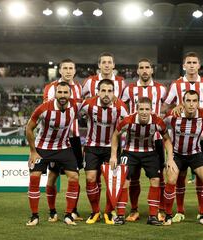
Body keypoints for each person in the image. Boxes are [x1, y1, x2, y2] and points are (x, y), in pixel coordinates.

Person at [163, 52, 203, 223]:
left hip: (201, 137)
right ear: (184, 65)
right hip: (178, 135)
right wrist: (174, 108)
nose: (192, 65)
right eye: (189, 62)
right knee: (178, 178)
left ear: (199, 65)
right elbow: (165, 107)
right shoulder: (176, 85)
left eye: (195, 62)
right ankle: (177, 211)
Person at [109, 97, 174, 226]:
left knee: (156, 180)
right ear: (137, 110)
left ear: (151, 110)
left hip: (149, 152)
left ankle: (153, 216)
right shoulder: (128, 120)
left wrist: (170, 158)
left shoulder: (158, 121)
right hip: (130, 152)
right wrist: (113, 156)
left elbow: (167, 139)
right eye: (141, 109)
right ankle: (121, 215)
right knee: (125, 180)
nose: (144, 112)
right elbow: (115, 134)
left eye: (147, 109)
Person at [163, 90, 203, 227]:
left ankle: (202, 215)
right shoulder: (173, 116)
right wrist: (168, 151)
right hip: (177, 154)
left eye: (194, 101)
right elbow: (160, 126)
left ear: (198, 102)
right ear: (183, 102)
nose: (191, 104)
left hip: (195, 153)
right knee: (171, 180)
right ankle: (168, 215)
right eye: (188, 101)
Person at [26, 82, 80, 226]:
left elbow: (91, 103)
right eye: (60, 92)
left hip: (63, 147)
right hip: (42, 148)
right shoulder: (43, 109)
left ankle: (69, 214)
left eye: (65, 93)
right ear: (55, 93)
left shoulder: (75, 105)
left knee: (74, 177)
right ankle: (35, 216)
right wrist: (33, 152)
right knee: (35, 177)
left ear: (70, 94)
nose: (63, 95)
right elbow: (29, 129)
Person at [121, 58, 167, 222]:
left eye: (148, 67)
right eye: (142, 67)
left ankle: (159, 209)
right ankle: (134, 210)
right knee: (132, 177)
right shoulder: (129, 89)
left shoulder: (161, 89)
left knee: (158, 176)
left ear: (152, 70)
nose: (145, 70)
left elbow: (167, 107)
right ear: (138, 71)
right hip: (133, 139)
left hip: (155, 139)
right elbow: (122, 106)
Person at [80, 79, 128, 224]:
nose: (106, 94)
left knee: (111, 182)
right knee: (90, 179)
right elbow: (74, 114)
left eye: (109, 91)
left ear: (114, 93)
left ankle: (108, 211)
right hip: (91, 147)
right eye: (103, 91)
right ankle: (95, 212)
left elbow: (126, 125)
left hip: (111, 148)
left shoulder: (120, 106)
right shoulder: (88, 104)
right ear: (98, 92)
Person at [43, 59, 83, 222]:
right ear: (60, 71)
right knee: (53, 176)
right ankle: (52, 211)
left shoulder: (79, 88)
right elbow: (46, 109)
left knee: (75, 175)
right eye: (65, 68)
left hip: (74, 139)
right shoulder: (51, 87)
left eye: (71, 68)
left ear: (74, 71)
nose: (68, 71)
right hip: (56, 139)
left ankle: (73, 210)